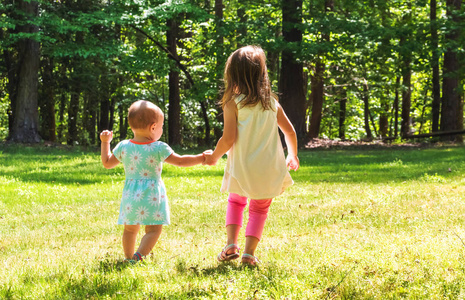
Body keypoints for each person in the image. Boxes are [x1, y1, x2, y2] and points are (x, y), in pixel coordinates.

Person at [203, 45, 299, 266]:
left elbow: (227, 139)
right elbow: (290, 132)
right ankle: (248, 254)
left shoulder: (232, 103)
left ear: (233, 74)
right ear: (261, 74)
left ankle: (230, 244)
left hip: (241, 167)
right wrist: (292, 155)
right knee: (260, 208)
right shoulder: (272, 104)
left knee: (236, 202)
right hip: (268, 167)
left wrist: (215, 157)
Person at [100, 100, 207, 263]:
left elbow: (107, 163)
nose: (162, 130)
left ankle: (128, 257)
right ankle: (138, 257)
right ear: (153, 127)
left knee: (129, 230)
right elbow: (180, 161)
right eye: (162, 126)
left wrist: (105, 142)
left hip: (131, 197)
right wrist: (201, 158)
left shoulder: (124, 146)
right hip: (152, 196)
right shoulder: (158, 147)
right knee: (154, 230)